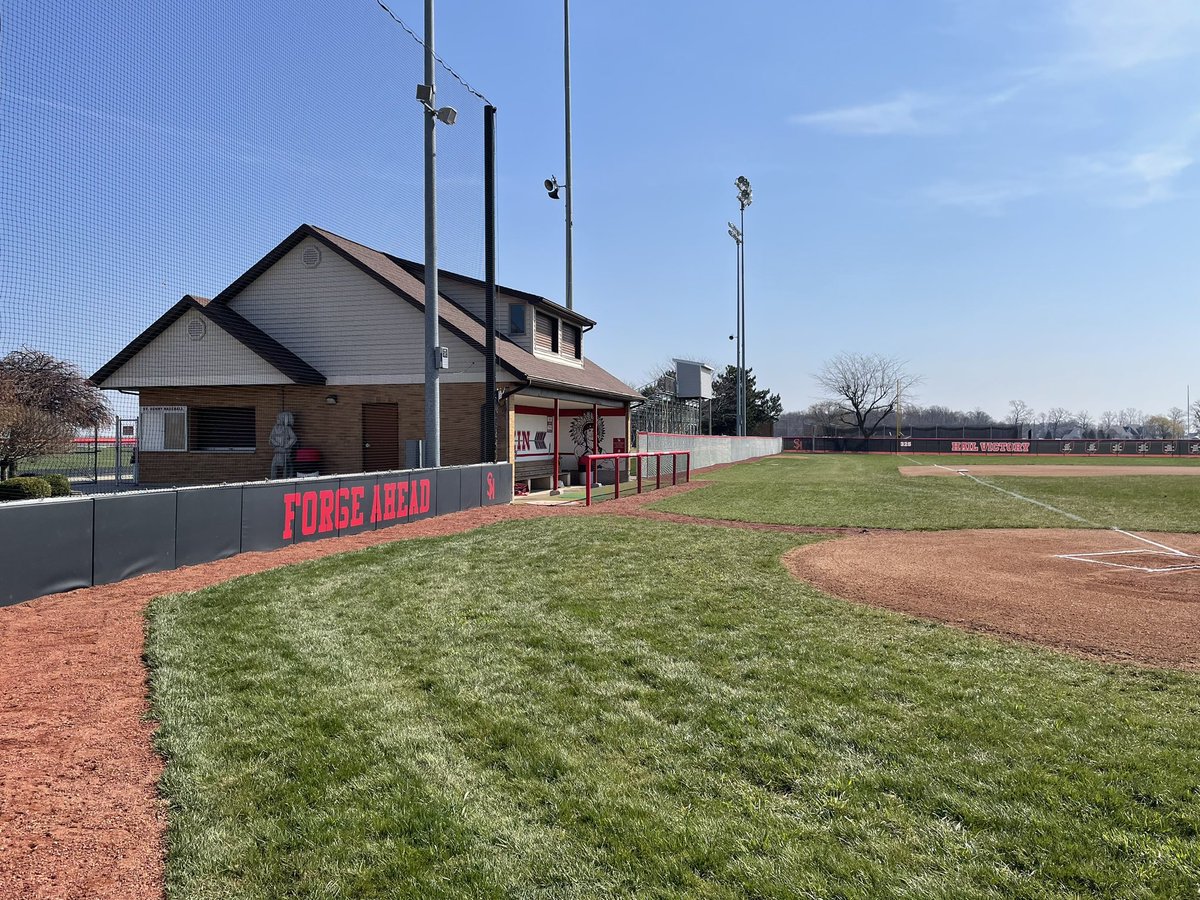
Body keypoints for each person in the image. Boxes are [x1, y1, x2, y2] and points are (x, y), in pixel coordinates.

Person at [269, 412, 297, 478]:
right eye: (277, 419)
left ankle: (286, 480)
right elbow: (271, 438)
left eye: (279, 419)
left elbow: (293, 438)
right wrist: (276, 443)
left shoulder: (288, 429)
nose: (277, 420)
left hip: (285, 453)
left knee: (287, 467)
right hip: (277, 452)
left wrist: (287, 445)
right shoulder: (275, 428)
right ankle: (273, 480)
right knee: (273, 466)